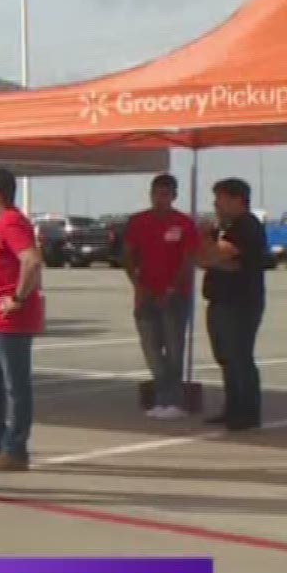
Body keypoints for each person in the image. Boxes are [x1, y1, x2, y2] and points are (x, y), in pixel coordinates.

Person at [0, 170, 44, 471]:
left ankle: (15, 449)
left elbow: (30, 260)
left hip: (11, 319)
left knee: (15, 385)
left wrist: (16, 299)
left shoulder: (12, 222)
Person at [124, 173, 200, 419]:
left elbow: (189, 260)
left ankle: (174, 401)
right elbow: (128, 255)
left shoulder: (184, 223)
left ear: (174, 196)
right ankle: (161, 397)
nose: (160, 199)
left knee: (175, 349)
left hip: (175, 296)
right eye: (156, 194)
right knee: (152, 348)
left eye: (165, 194)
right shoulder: (138, 221)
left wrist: (171, 289)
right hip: (146, 295)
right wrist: (138, 285)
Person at [199, 179, 267, 431]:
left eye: (220, 198)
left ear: (237, 199)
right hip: (220, 299)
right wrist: (213, 255)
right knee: (226, 357)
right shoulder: (226, 227)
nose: (216, 204)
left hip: (240, 302)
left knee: (240, 356)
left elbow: (221, 254)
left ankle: (247, 413)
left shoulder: (245, 225)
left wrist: (206, 239)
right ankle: (232, 407)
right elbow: (204, 258)